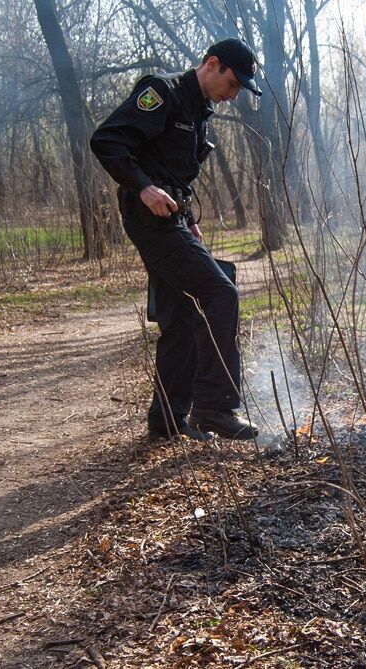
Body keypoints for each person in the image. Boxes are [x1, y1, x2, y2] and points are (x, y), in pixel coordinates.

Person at [91, 38, 263, 442]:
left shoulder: (200, 112)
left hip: (174, 220)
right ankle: (214, 407)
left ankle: (167, 422)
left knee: (181, 320)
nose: (234, 94)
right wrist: (143, 188)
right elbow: (107, 140)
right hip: (148, 218)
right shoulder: (162, 93)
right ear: (213, 64)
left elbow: (176, 174)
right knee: (221, 293)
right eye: (234, 84)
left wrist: (188, 219)